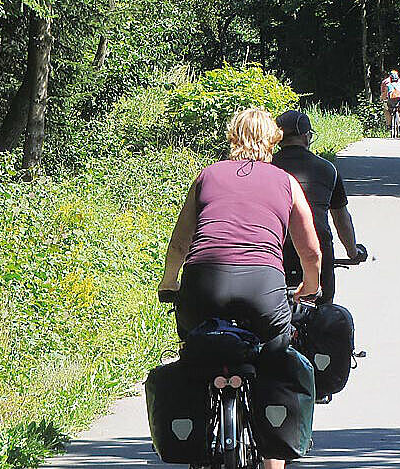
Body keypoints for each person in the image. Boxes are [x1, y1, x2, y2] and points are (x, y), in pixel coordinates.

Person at [157, 108, 323, 469]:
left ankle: (198, 444)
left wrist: (169, 282)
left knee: (196, 351)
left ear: (232, 137)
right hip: (261, 288)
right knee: (274, 364)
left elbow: (179, 244)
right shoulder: (285, 182)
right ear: (273, 140)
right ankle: (273, 458)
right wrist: (310, 287)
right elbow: (309, 250)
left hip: (203, 286)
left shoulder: (207, 176)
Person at [273, 110, 364, 305]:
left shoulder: (266, 167)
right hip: (319, 251)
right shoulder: (327, 169)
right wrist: (352, 251)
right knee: (324, 315)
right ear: (306, 136)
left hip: (274, 252)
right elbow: (341, 218)